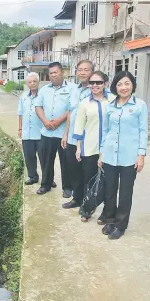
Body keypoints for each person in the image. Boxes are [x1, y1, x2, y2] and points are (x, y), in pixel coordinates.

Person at [98, 71, 148, 239]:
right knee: (110, 190)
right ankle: (110, 220)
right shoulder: (110, 106)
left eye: (127, 83)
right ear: (115, 87)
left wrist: (141, 155)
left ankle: (121, 225)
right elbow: (105, 131)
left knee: (125, 192)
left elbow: (143, 131)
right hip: (110, 155)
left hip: (129, 157)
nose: (123, 87)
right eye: (120, 84)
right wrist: (101, 153)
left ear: (132, 85)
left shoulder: (140, 105)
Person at [73, 71, 116, 222]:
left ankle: (106, 213)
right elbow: (79, 127)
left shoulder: (113, 100)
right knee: (89, 181)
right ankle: (87, 210)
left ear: (105, 83)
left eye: (98, 82)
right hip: (90, 148)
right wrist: (78, 148)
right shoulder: (84, 103)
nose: (95, 85)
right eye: (92, 83)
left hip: (110, 149)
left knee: (109, 182)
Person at [35, 62, 74, 196]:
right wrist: (45, 121)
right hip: (47, 132)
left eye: (55, 72)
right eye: (51, 73)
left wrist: (59, 120)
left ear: (62, 72)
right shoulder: (44, 89)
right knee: (46, 160)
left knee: (66, 161)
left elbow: (72, 108)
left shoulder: (72, 88)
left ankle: (68, 188)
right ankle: (46, 184)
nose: (53, 75)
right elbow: (38, 107)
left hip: (64, 133)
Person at [61, 60, 93, 209]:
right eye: (80, 69)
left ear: (92, 72)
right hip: (73, 138)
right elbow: (70, 112)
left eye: (86, 70)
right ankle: (77, 199)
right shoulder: (74, 90)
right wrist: (65, 134)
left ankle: (87, 202)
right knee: (74, 170)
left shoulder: (97, 90)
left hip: (89, 140)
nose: (82, 73)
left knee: (88, 173)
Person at [17, 72, 44, 185]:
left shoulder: (43, 95)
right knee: (29, 156)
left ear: (38, 82)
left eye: (34, 81)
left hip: (41, 133)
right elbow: (20, 113)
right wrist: (20, 129)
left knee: (44, 158)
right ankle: (32, 177)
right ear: (27, 83)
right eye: (30, 82)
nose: (32, 83)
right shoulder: (23, 96)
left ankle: (48, 179)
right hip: (27, 133)